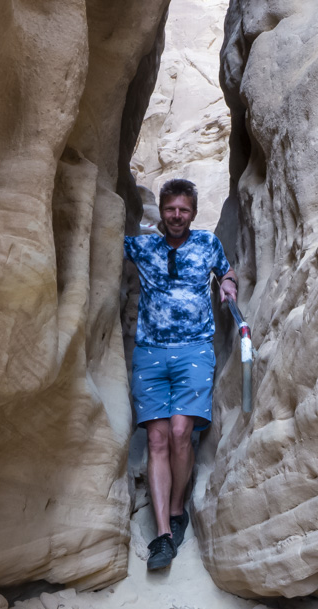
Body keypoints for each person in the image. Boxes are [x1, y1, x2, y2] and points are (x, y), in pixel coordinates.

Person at [124, 178, 238, 570]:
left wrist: (227, 286)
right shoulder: (143, 247)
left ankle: (177, 508)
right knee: (157, 439)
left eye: (183, 210)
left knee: (179, 433)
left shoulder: (207, 244)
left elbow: (227, 272)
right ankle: (163, 535)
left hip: (194, 351)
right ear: (162, 211)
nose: (176, 216)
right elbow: (104, 238)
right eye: (170, 209)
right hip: (150, 354)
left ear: (193, 213)